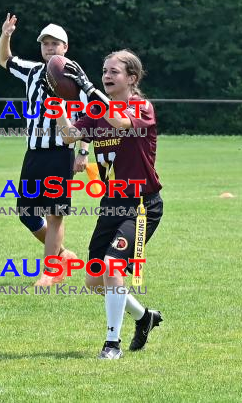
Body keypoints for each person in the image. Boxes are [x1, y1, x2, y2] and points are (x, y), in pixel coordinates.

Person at [56, 50, 164, 359]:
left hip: (142, 205)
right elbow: (68, 136)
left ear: (132, 78)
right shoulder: (95, 111)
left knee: (113, 265)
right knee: (93, 279)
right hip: (112, 205)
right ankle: (144, 317)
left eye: (114, 71)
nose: (107, 75)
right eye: (104, 70)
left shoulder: (141, 107)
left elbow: (118, 120)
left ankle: (112, 343)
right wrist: (59, 100)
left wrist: (89, 89)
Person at [0, 13, 91, 286]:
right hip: (34, 152)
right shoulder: (33, 71)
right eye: (45, 43)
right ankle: (62, 255)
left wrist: (83, 153)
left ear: (65, 47)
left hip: (61, 153)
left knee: (55, 212)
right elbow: (4, 60)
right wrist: (6, 34)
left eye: (54, 43)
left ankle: (50, 272)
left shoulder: (75, 77)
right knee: (26, 213)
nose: (49, 47)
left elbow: (91, 114)